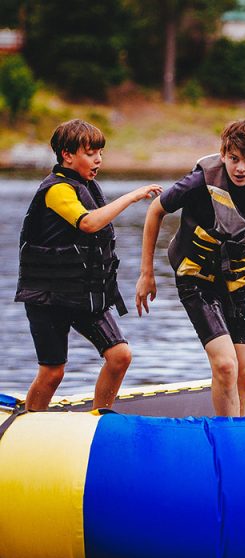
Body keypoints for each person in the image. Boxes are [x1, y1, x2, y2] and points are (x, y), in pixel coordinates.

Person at [135, 119, 245, 417]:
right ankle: (228, 439)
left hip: (239, 282)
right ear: (223, 153)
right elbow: (156, 210)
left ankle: (236, 433)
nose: (241, 168)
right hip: (197, 280)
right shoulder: (200, 182)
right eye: (234, 159)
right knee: (226, 365)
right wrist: (146, 273)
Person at [16, 119, 162, 411]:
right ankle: (29, 426)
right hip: (47, 298)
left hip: (82, 295)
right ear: (67, 155)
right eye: (90, 153)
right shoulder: (56, 190)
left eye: (100, 153)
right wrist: (133, 196)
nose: (98, 159)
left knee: (120, 356)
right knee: (53, 372)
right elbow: (88, 223)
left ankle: (98, 417)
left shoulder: (88, 187)